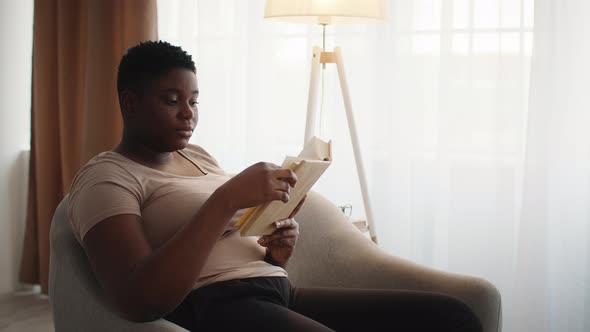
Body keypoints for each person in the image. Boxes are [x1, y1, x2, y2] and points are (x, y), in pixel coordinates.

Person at [68, 40, 482, 332]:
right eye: (172, 100)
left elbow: (226, 238)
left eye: (194, 101)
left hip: (276, 291)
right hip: (215, 304)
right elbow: (139, 298)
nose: (188, 114)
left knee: (453, 317)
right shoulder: (107, 178)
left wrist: (274, 253)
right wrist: (227, 198)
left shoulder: (199, 156)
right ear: (130, 103)